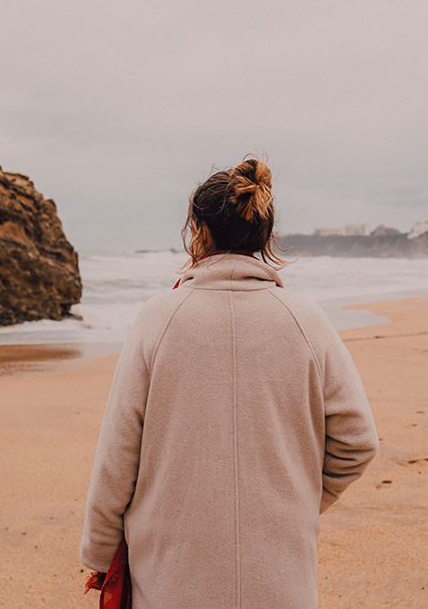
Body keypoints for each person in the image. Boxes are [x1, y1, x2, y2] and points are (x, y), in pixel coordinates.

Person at [80, 157, 379, 608]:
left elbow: (117, 456)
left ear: (199, 231)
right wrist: (298, 502)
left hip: (171, 578)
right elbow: (358, 442)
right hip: (281, 581)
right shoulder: (307, 321)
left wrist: (101, 554)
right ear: (264, 235)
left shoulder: (158, 319)